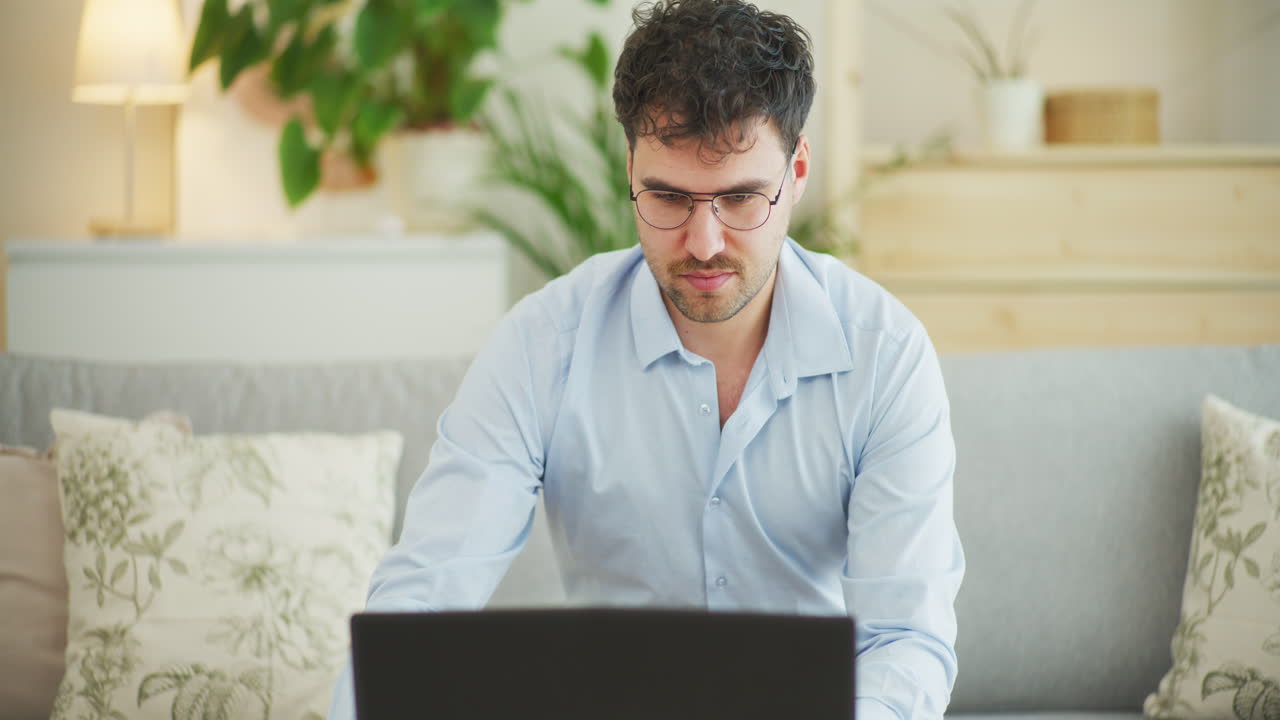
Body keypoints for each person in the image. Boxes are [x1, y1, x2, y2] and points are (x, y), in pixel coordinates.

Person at [328, 0, 963, 718]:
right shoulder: (543, 344)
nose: (703, 243)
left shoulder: (885, 356)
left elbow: (906, 640)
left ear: (797, 172)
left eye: (741, 198)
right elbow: (420, 604)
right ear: (631, 167)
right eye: (667, 197)